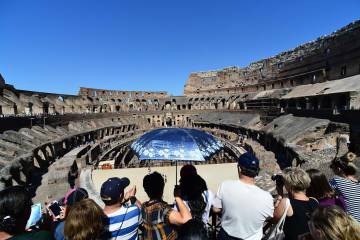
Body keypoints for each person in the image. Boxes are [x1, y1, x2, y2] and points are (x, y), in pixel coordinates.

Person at [213, 152, 274, 240]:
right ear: (257, 172)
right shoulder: (267, 197)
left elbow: (216, 209)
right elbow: (270, 217)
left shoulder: (225, 185)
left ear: (239, 168)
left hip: (227, 236)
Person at [141, 171, 192, 240]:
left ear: (145, 190)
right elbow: (187, 219)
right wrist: (177, 196)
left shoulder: (144, 206)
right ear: (162, 187)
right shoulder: (162, 209)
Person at [273, 167, 319, 240]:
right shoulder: (314, 201)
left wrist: (280, 195)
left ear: (290, 185)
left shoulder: (286, 203)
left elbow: (274, 220)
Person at [329, 152, 360, 222]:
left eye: (332, 167)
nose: (331, 169)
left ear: (339, 169)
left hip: (353, 224)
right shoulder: (357, 183)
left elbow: (324, 191)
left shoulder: (337, 180)